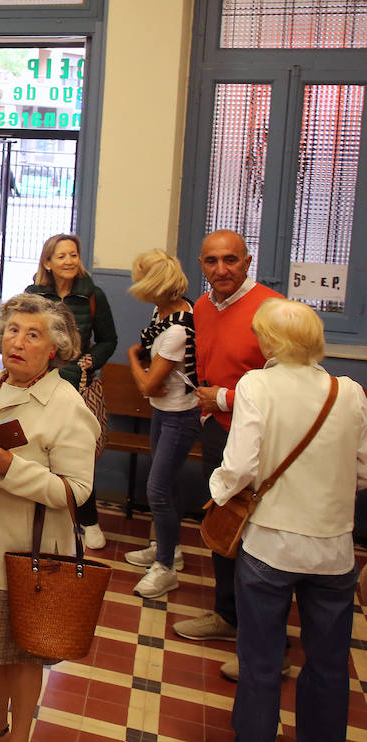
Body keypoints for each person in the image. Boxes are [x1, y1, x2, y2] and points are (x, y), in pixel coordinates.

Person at [0, 293, 98, 742]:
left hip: (27, 555)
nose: (19, 341)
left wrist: (15, 470)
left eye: (33, 335)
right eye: (12, 330)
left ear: (54, 349)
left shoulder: (68, 407)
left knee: (25, 653)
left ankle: (20, 736)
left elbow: (77, 492)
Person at [207, 299, 367, 741]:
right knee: (330, 663)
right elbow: (365, 468)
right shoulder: (348, 390)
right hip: (333, 550)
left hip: (270, 547)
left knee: (260, 660)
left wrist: (216, 494)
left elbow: (240, 467)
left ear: (272, 341)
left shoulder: (257, 385)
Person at [171, 230, 284, 683]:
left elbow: (287, 387)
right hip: (218, 435)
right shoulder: (201, 306)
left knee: (257, 540)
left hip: (262, 441)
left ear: (248, 260)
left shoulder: (273, 311)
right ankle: (226, 616)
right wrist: (209, 403)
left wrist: (225, 399)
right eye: (212, 261)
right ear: (201, 264)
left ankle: (269, 648)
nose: (222, 270)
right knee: (222, 524)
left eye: (231, 260)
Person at [24, 233, 116, 550]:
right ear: (47, 262)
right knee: (40, 452)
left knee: (79, 454)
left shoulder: (93, 295)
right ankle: (43, 519)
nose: (69, 261)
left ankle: (88, 519)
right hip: (40, 384)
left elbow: (108, 340)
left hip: (80, 386)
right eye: (61, 256)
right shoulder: (33, 295)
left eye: (73, 255)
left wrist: (89, 362)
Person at [122, 250, 201, 598]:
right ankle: (170, 548)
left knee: (157, 489)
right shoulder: (166, 310)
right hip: (165, 410)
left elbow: (148, 386)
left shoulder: (178, 330)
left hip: (180, 414)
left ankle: (165, 567)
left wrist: (130, 358)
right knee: (166, 484)